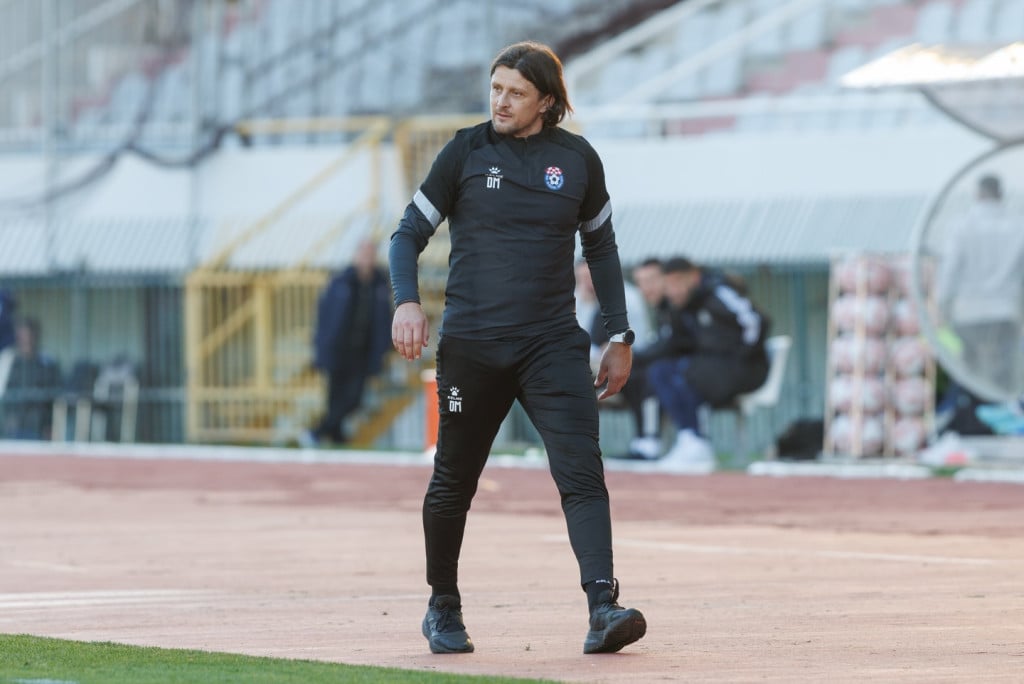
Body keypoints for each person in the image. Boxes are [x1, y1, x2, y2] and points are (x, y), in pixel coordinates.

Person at [389, 41, 646, 656]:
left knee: (582, 473)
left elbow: (602, 249)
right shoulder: (464, 152)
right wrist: (405, 302)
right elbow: (406, 235)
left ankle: (603, 607)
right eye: (496, 88)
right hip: (472, 348)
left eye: (516, 93)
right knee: (454, 481)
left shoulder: (578, 160)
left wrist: (619, 335)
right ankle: (442, 605)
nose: (501, 102)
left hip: (551, 346)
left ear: (547, 102)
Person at [645, 256, 770, 467]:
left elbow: (756, 322)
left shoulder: (719, 292)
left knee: (687, 372)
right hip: (711, 368)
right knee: (661, 371)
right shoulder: (683, 306)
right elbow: (675, 344)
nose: (673, 291)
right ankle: (690, 438)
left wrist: (742, 356)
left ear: (694, 277)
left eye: (677, 282)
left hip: (747, 368)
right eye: (668, 285)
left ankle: (698, 441)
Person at [936, 174, 1024, 398]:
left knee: (971, 372)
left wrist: (942, 305)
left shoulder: (961, 226)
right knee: (1002, 373)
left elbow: (950, 270)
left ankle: (973, 411)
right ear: (1001, 194)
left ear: (977, 194)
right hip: (1004, 312)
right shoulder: (1017, 226)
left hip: (967, 313)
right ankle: (1001, 413)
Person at [303, 238, 393, 447]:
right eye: (364, 253)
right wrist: (321, 347)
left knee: (354, 399)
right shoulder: (340, 282)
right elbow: (325, 317)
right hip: (338, 350)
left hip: (363, 353)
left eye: (370, 254)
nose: (367, 258)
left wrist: (382, 350)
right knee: (335, 398)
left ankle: (318, 432)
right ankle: (335, 435)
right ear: (356, 255)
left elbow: (384, 320)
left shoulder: (380, 284)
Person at [0, 317, 62, 440]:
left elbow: (56, 394)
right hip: (12, 428)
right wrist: (7, 419)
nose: (26, 341)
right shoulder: (8, 359)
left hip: (40, 427)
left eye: (29, 337)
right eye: (23, 337)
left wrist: (50, 424)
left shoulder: (47, 362)